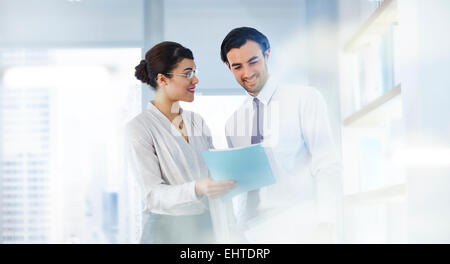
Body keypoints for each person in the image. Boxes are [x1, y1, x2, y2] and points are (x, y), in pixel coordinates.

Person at [221, 27, 343, 243]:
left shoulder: (304, 99)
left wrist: (326, 223)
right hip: (251, 233)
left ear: (267, 55)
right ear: (228, 67)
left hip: (299, 228)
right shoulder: (234, 122)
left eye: (253, 61)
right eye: (237, 66)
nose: (247, 73)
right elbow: (244, 185)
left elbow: (327, 165)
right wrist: (236, 229)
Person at [127, 41, 237, 244]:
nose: (195, 80)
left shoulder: (197, 121)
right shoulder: (140, 127)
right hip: (166, 231)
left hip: (204, 227)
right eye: (187, 73)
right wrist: (196, 188)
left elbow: (212, 173)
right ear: (163, 79)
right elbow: (153, 195)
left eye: (194, 72)